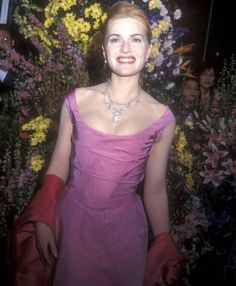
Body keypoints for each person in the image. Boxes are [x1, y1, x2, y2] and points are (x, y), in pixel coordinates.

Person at [8, 2, 185, 286]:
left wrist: (164, 245)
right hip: (72, 223)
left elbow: (154, 188)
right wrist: (43, 216)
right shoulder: (75, 101)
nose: (125, 48)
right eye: (116, 39)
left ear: (149, 50)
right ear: (104, 50)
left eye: (135, 39)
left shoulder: (162, 118)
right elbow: (57, 165)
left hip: (124, 234)